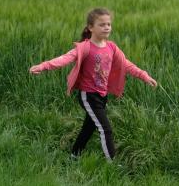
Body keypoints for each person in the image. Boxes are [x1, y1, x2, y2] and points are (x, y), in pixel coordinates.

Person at [30, 8, 158, 160]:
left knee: (88, 128)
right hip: (88, 95)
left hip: (102, 95)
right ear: (91, 27)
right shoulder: (85, 47)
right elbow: (65, 58)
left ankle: (73, 157)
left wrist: (144, 75)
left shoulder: (111, 47)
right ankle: (113, 165)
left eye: (109, 24)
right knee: (105, 129)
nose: (106, 27)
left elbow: (126, 64)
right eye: (102, 24)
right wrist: (43, 66)